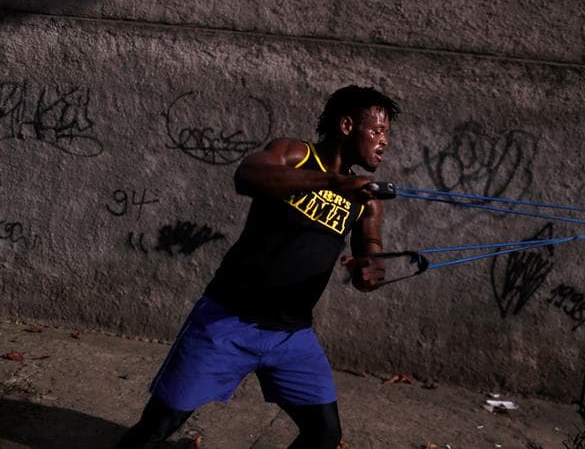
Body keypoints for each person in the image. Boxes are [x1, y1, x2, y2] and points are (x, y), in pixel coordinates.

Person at [117, 85, 400, 449]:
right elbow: (247, 176)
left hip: (291, 335)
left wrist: (371, 272)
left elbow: (370, 254)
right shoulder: (296, 154)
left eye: (386, 134)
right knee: (156, 427)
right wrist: (333, 181)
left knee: (324, 434)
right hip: (228, 320)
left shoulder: (367, 197)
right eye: (377, 130)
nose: (384, 141)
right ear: (347, 125)